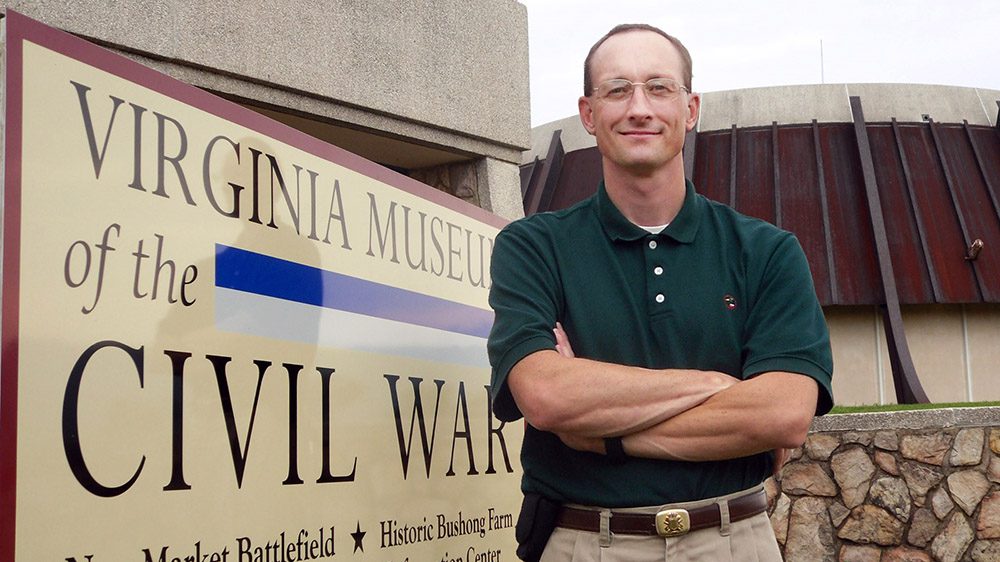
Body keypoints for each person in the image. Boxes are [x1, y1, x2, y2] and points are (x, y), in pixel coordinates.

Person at [487, 23, 834, 562]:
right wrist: (721, 387)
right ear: (588, 113)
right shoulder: (533, 247)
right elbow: (548, 396)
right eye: (618, 89)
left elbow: (784, 413)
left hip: (734, 541)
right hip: (585, 542)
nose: (639, 108)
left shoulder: (766, 251)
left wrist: (602, 434)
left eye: (659, 87)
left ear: (690, 109)